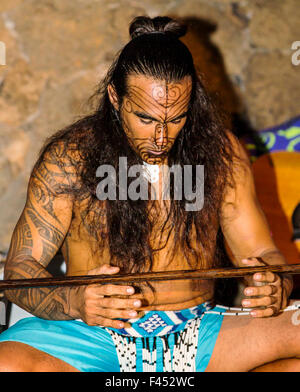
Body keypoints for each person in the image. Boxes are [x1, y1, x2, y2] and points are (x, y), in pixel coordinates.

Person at [0, 16, 298, 372]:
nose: (161, 137)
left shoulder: (222, 153)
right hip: (92, 334)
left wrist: (273, 282)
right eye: (146, 118)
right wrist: (76, 302)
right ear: (115, 96)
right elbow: (19, 269)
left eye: (176, 119)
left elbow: (262, 252)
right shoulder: (70, 158)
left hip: (199, 330)